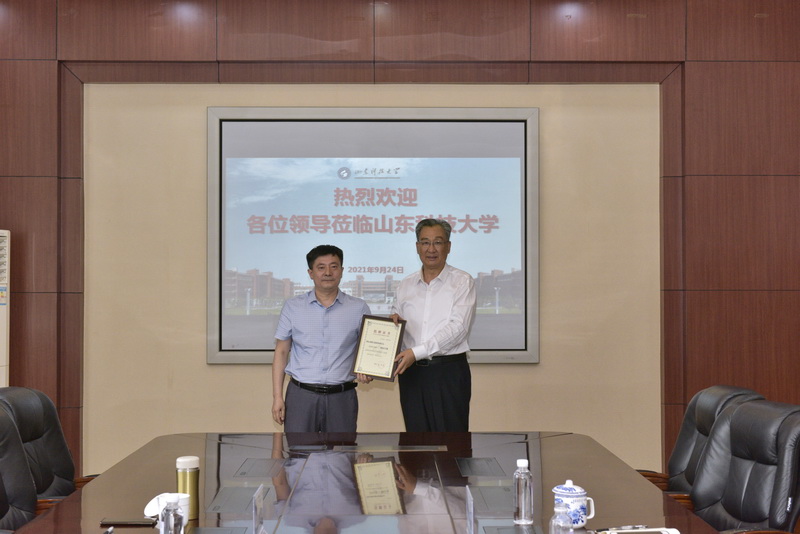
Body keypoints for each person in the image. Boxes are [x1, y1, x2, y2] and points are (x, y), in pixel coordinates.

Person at [272, 244, 371, 433]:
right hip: (301, 396)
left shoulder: (358, 308)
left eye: (334, 266)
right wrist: (277, 397)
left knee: (342, 451)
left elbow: (369, 349)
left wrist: (368, 369)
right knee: (299, 450)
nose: (328, 273)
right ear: (310, 273)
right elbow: (281, 351)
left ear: (341, 270)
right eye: (321, 267)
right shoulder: (293, 307)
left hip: (342, 397)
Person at [391, 218, 477, 432]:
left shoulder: (462, 281)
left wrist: (417, 352)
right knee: (415, 440)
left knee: (452, 441)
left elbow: (458, 329)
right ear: (417, 247)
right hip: (411, 374)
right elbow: (396, 323)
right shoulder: (405, 285)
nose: (431, 249)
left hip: (448, 372)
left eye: (438, 242)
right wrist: (391, 328)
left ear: (448, 246)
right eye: (425, 242)